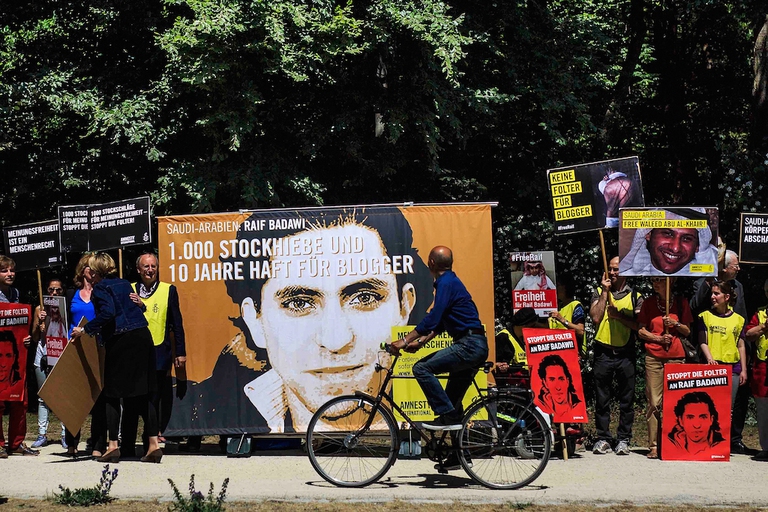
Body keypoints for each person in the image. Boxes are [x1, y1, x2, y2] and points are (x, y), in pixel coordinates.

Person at [172, 207, 435, 435]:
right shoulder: (205, 410)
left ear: (404, 306)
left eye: (364, 297)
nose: (335, 340)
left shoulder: (432, 397)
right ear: (256, 322)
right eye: (298, 303)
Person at [390, 245, 488, 470]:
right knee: (453, 403)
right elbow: (442, 321)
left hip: (469, 344)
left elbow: (434, 317)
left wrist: (404, 340)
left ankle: (444, 416)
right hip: (474, 344)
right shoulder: (451, 282)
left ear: (431, 263)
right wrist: (421, 342)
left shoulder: (446, 283)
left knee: (421, 368)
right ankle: (459, 456)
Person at [70, 252, 162, 463]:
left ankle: (112, 446)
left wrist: (84, 330)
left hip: (122, 340)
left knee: (112, 394)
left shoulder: (100, 288)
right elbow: (135, 308)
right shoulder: (125, 284)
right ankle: (153, 445)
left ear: (95, 272)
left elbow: (108, 313)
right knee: (147, 392)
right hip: (143, 337)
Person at [123, 252, 185, 455]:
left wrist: (180, 352)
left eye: (153, 266)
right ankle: (127, 445)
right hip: (134, 353)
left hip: (159, 352)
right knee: (131, 400)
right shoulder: (129, 289)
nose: (150, 270)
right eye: (146, 267)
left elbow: (177, 324)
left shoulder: (168, 290)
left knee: (153, 399)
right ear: (138, 269)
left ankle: (150, 441)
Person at [690, 250, 752, 454]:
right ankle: (707, 442)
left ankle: (733, 440)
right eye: (735, 265)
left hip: (733, 358)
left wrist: (744, 357)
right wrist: (709, 283)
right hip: (710, 358)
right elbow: (694, 307)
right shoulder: (703, 283)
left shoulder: (738, 286)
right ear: (723, 268)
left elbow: (741, 318)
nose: (739, 269)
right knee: (708, 404)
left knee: (734, 404)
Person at [590, 256, 643, 455]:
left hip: (625, 353)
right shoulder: (598, 292)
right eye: (610, 269)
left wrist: (619, 316)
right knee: (602, 399)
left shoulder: (636, 296)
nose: (612, 273)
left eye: (616, 269)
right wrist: (605, 292)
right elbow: (596, 317)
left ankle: (623, 439)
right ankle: (603, 438)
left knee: (626, 400)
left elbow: (639, 326)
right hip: (603, 352)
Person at [637, 276, 693, 459]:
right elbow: (641, 330)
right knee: (654, 402)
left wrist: (675, 324)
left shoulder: (681, 303)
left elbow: (687, 330)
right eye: (653, 280)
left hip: (676, 358)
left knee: (676, 403)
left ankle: (674, 444)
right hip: (654, 357)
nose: (656, 283)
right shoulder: (648, 303)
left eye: (660, 280)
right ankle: (653, 445)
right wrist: (658, 338)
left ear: (671, 282)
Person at [64, 253, 105, 457]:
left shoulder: (102, 292)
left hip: (96, 349)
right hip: (73, 350)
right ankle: (72, 443)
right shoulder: (71, 293)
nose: (93, 269)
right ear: (83, 270)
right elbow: (61, 320)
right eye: (90, 266)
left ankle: (98, 444)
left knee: (98, 400)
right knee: (73, 399)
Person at [0, 255, 38, 457]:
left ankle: (16, 443)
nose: (10, 274)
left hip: (15, 355)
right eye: (4, 270)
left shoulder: (15, 294)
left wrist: (26, 337)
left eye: (12, 270)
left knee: (20, 400)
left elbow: (18, 325)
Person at [619, 208, 718, 276]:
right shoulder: (626, 276)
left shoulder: (706, 277)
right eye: (668, 234)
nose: (675, 248)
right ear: (648, 234)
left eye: (687, 239)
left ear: (697, 247)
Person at [29, 279, 68, 449]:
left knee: (63, 396)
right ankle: (42, 434)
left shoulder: (65, 308)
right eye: (51, 289)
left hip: (60, 354)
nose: (54, 293)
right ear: (46, 290)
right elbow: (34, 337)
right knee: (43, 396)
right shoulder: (40, 308)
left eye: (58, 290)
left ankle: (65, 434)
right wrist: (39, 323)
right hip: (43, 355)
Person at [697, 280, 747, 409]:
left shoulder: (738, 320)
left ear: (727, 297)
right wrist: (710, 359)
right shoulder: (705, 316)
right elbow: (703, 341)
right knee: (710, 407)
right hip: (711, 368)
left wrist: (744, 370)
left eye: (716, 293)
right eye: (712, 293)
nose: (712, 297)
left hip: (732, 369)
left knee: (727, 408)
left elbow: (741, 346)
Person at [744, 277, 768, 460]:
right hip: (763, 368)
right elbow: (749, 334)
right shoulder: (761, 313)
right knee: (763, 410)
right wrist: (764, 326)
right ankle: (766, 448)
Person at [494, 307, 539, 386]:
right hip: (512, 383)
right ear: (524, 326)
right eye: (532, 326)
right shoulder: (504, 337)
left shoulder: (528, 338)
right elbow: (498, 363)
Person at [547, 274, 585, 352]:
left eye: (558, 285)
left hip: (572, 352)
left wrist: (562, 320)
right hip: (557, 351)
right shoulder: (558, 307)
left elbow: (580, 331)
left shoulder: (575, 305)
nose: (555, 289)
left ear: (565, 287)